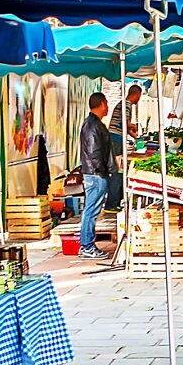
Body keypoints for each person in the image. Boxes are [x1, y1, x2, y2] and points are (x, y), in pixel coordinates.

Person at [78, 93, 113, 261]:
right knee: (91, 211)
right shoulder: (92, 126)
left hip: (95, 173)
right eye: (106, 103)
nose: (107, 107)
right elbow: (94, 152)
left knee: (91, 210)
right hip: (95, 174)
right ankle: (87, 246)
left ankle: (86, 245)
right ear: (102, 104)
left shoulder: (94, 124)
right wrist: (102, 171)